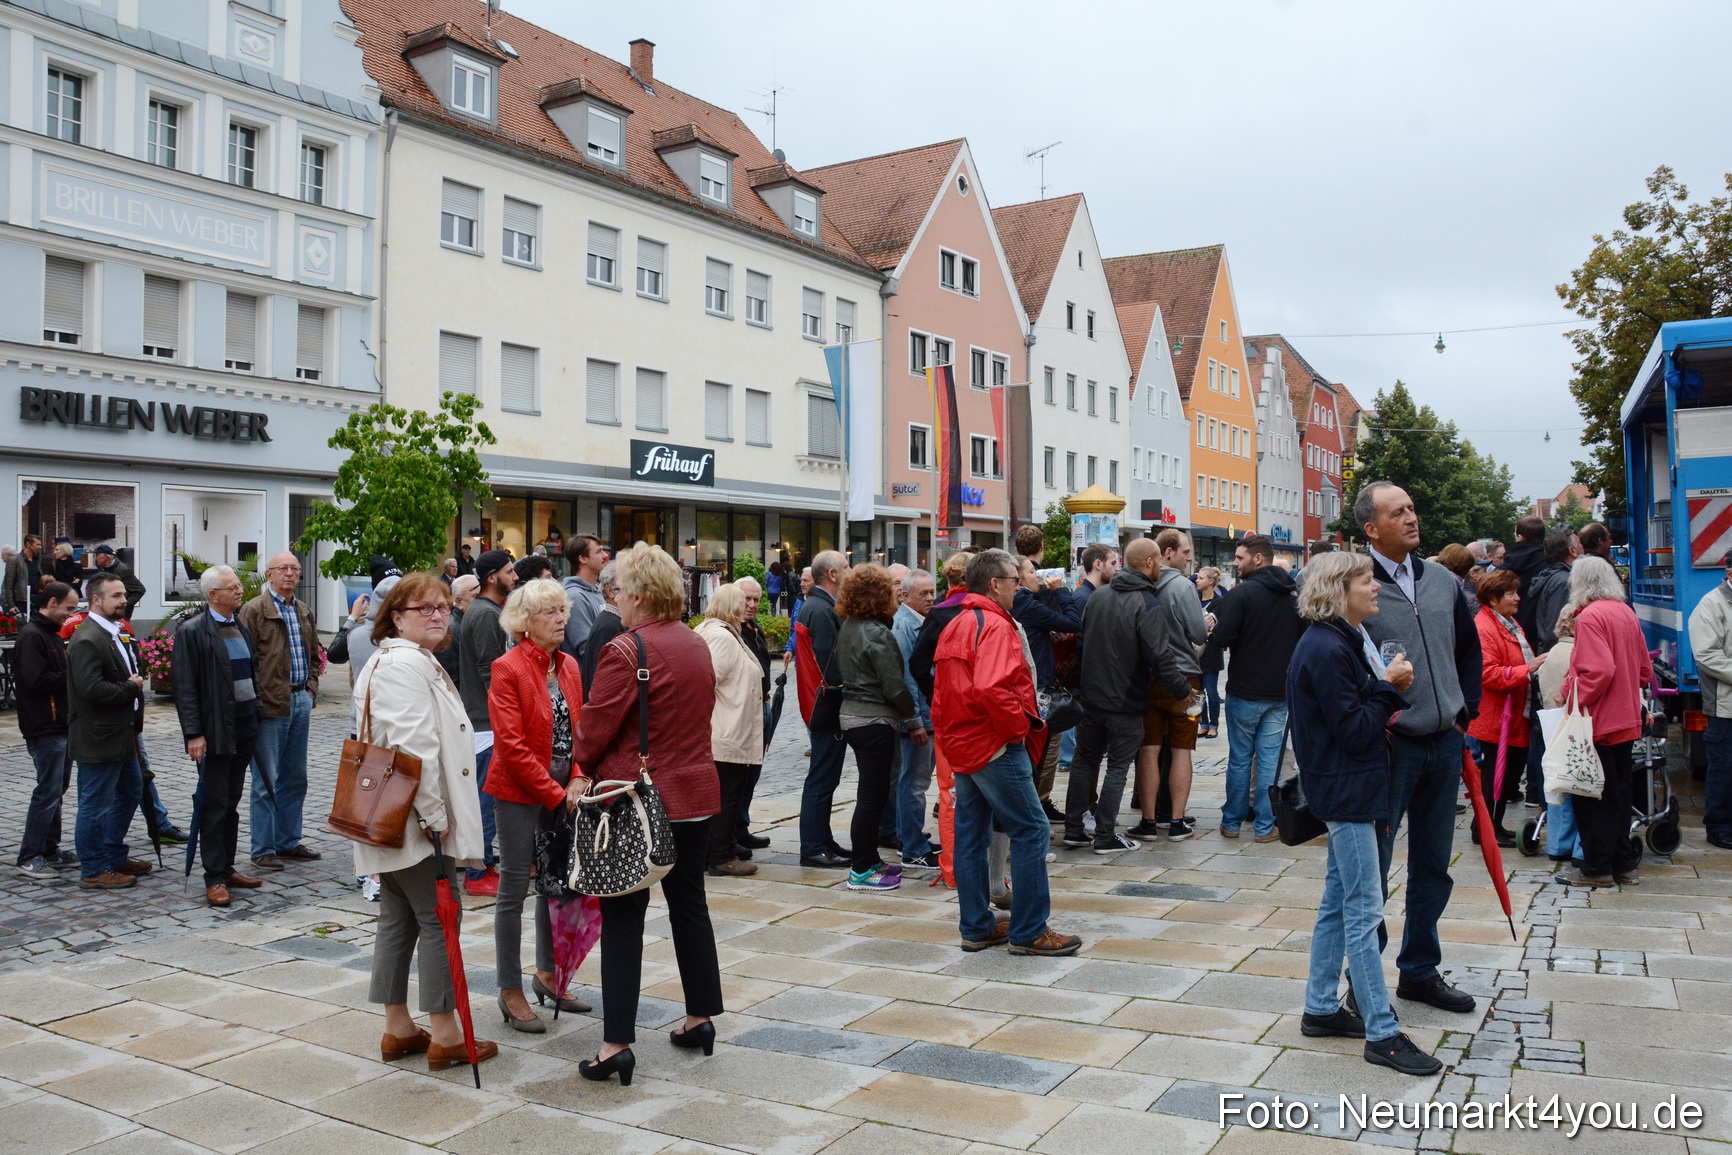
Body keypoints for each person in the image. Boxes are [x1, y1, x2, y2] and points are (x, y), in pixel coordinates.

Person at [570, 543, 723, 1086]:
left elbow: (593, 728)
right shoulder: (695, 643)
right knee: (690, 908)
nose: (616, 598)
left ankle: (615, 1045)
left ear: (636, 594)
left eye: (619, 590)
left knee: (623, 918)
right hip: (695, 794)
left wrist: (578, 767)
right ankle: (700, 1018)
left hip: (636, 799)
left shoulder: (624, 649)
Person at [1287, 552, 1440, 1076]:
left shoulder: (1341, 637)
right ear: (1338, 588)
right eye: (1365, 580)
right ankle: (1382, 1030)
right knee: (1363, 909)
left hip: (1350, 787)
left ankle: (1321, 1007)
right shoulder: (1328, 647)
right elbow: (1353, 730)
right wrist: (1389, 688)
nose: (1376, 588)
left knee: (1338, 901)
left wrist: (1380, 688)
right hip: (1347, 791)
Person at [352, 572, 496, 1074]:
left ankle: (398, 1028)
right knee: (440, 918)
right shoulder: (402, 665)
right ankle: (445, 1034)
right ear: (396, 616)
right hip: (413, 817)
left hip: (396, 813)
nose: (437, 615)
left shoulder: (409, 660)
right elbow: (414, 747)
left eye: (441, 607)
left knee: (398, 916)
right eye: (423, 609)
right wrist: (435, 816)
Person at [1357, 481, 1482, 1015]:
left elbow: (1467, 650)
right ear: (1371, 528)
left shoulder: (1442, 581)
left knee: (1434, 863)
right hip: (1390, 746)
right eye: (1398, 511)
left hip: (1442, 741)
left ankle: (1420, 971)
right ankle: (1363, 984)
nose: (1412, 517)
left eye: (1412, 507)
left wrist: (1462, 713)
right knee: (1372, 870)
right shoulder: (1355, 585)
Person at [932, 549, 1079, 956]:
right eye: (1015, 579)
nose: (1020, 585)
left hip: (964, 743)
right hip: (993, 743)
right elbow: (993, 687)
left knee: (971, 836)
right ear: (995, 584)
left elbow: (942, 692)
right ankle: (1030, 930)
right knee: (1032, 830)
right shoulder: (993, 625)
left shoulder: (959, 622)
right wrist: (1017, 733)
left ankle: (977, 926)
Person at [486, 578, 592, 1033]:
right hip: (519, 791)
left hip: (564, 789)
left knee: (559, 883)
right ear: (524, 622)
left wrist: (579, 777)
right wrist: (555, 792)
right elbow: (511, 747)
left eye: (562, 611)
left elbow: (583, 729)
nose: (560, 619)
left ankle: (549, 975)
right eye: (550, 613)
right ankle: (509, 989)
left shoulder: (568, 665)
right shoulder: (507, 667)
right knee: (513, 888)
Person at [1064, 537, 1195, 852]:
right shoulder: (1147, 603)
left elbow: (1081, 644)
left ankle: (1073, 829)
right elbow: (1160, 657)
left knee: (1085, 761)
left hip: (1091, 697)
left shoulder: (1099, 596)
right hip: (1125, 699)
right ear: (1149, 562)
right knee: (1119, 767)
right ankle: (1106, 836)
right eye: (1158, 563)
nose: (1161, 568)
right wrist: (1181, 690)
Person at [172, 565, 266, 907]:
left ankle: (226, 867)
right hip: (214, 731)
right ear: (213, 595)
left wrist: (256, 708)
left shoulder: (238, 625)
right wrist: (194, 733)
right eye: (233, 587)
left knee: (231, 804)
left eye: (239, 586)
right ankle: (214, 877)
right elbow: (185, 687)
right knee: (213, 805)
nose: (240, 591)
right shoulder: (193, 631)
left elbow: (250, 671)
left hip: (243, 726)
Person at [1557, 557, 1654, 887]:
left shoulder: (1591, 616)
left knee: (1592, 795)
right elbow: (1643, 671)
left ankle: (1598, 868)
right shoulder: (1625, 612)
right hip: (1626, 718)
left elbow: (1597, 672)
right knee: (1620, 794)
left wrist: (1569, 692)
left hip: (1598, 721)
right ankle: (1623, 863)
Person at [1207, 535, 1305, 842]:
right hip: (1280, 692)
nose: (1235, 564)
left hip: (1245, 689)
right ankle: (1265, 826)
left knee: (1239, 758)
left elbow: (1222, 638)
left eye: (1239, 558)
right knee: (1269, 761)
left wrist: (1215, 629)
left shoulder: (1242, 594)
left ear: (1258, 558)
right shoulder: (1294, 595)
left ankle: (1232, 822)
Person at [239, 553, 322, 874]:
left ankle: (288, 841)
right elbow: (243, 659)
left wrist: (311, 687)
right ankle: (263, 848)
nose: (289, 574)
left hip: (300, 698)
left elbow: (315, 653)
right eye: (282, 569)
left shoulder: (303, 610)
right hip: (269, 705)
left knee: (295, 777)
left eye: (294, 569)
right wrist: (254, 700)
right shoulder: (255, 610)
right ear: (269, 574)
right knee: (265, 781)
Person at [835, 565, 916, 890]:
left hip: (855, 717)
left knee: (874, 793)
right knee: (871, 796)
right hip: (873, 719)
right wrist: (912, 712)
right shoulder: (875, 632)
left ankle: (869, 859)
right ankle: (861, 869)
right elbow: (894, 685)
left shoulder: (851, 626)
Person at [67, 572, 149, 889]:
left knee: (131, 791)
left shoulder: (113, 631)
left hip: (121, 733)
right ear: (96, 600)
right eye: (116, 596)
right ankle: (93, 868)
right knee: (95, 803)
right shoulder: (88, 638)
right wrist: (130, 688)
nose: (124, 600)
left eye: (123, 595)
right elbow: (92, 690)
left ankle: (113, 853)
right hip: (98, 737)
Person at [1129, 529, 1208, 842]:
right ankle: (1175, 821)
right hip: (1185, 677)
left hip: (1147, 678)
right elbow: (1199, 635)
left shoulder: (1139, 585)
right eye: (1186, 551)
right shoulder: (1182, 587)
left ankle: (1148, 821)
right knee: (1182, 750)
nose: (1189, 558)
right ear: (1168, 552)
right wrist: (1205, 624)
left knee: (1148, 749)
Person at [1467, 569, 1545, 848]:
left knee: (1507, 775)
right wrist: (1529, 669)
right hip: (1497, 716)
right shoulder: (1485, 627)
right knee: (1496, 776)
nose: (1517, 598)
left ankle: (1491, 826)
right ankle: (1486, 830)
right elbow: (1488, 674)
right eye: (1511, 593)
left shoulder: (1507, 622)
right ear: (1494, 598)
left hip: (1512, 715)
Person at [693, 583, 764, 879]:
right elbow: (708, 681)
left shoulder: (721, 631)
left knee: (725, 794)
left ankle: (717, 852)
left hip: (727, 728)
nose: (749, 605)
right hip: (725, 730)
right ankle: (720, 857)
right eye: (743, 601)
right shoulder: (720, 636)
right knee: (727, 795)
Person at [457, 550, 517, 896]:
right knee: (485, 798)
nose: (515, 577)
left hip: (490, 721)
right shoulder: (482, 614)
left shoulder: (490, 611)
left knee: (488, 796)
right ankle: (477, 874)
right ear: (492, 577)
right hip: (485, 724)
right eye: (510, 572)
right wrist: (506, 715)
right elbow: (489, 671)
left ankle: (484, 866)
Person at [14, 582, 79, 879]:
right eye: (68, 608)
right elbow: (36, 681)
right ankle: (30, 855)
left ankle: (50, 849)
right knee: (47, 792)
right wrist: (73, 674)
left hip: (60, 723)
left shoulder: (50, 634)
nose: (71, 615)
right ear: (52, 603)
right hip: (44, 726)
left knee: (57, 790)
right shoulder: (32, 636)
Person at [1010, 555, 1082, 812]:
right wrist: (1062, 591)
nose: (1036, 575)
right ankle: (1036, 807)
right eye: (1031, 571)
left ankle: (1035, 805)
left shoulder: (1019, 603)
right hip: (1039, 689)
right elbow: (1073, 623)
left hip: (1025, 687)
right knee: (1043, 751)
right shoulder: (1028, 605)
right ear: (1018, 579)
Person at [794, 550, 851, 868]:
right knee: (821, 777)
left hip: (821, 703)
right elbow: (831, 664)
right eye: (845, 567)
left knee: (826, 777)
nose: (849, 571)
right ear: (831, 574)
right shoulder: (821, 608)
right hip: (826, 705)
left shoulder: (818, 605)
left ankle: (822, 839)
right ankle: (814, 846)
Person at [892, 569, 939, 869]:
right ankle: (912, 847)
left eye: (933, 591)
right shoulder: (905, 626)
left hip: (924, 717)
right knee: (914, 784)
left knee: (913, 782)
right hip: (918, 720)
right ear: (906, 596)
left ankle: (910, 837)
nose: (931, 598)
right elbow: (907, 678)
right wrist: (916, 722)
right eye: (924, 593)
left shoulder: (918, 622)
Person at [1689, 552, 1732, 851]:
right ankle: (1719, 827)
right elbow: (1706, 656)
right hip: (1726, 706)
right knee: (1725, 767)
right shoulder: (1711, 605)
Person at [1536, 607, 1583, 863]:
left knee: (1557, 786)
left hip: (1552, 726)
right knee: (1578, 786)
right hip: (1574, 728)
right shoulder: (1576, 653)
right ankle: (1577, 847)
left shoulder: (1553, 653)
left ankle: (1557, 843)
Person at [730, 575, 773, 852]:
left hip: (762, 706)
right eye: (746, 598)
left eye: (756, 599)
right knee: (738, 774)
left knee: (753, 772)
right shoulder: (731, 631)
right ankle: (730, 832)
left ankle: (741, 826)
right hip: (743, 709)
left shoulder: (754, 628)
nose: (752, 604)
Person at [1529, 529, 1581, 653]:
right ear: (1572, 551)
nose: (1583, 547)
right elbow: (1556, 629)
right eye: (1579, 543)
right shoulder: (1564, 582)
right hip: (1560, 657)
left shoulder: (1554, 576)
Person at [579, 561, 625, 700]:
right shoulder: (609, 626)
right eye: (627, 587)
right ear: (610, 591)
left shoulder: (613, 622)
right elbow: (602, 682)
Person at [560, 534, 608, 661]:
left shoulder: (599, 591)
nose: (605, 556)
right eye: (599, 551)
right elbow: (588, 649)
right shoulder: (575, 597)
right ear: (582, 559)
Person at [1194, 566, 1225, 739]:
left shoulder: (1220, 602)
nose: (1197, 580)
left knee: (1211, 691)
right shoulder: (1195, 599)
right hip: (1195, 652)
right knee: (1198, 691)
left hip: (1211, 652)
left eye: (1201, 578)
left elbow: (1220, 626)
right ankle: (1203, 723)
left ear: (1211, 581)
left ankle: (1213, 724)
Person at [90, 546, 146, 618]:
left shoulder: (123, 570)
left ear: (105, 557)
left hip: (120, 614)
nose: (95, 559)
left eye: (97, 555)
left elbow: (140, 590)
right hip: (106, 611)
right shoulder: (104, 569)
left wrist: (124, 605)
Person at [781, 566, 814, 669]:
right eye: (801, 580)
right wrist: (790, 649)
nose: (801, 584)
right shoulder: (799, 601)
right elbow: (794, 629)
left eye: (805, 581)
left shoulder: (819, 605)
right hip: (800, 661)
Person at [2, 534, 41, 613]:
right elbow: (8, 584)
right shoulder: (14, 560)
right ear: (28, 544)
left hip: (35, 600)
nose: (40, 547)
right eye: (38, 544)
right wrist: (11, 605)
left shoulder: (37, 560)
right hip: (21, 601)